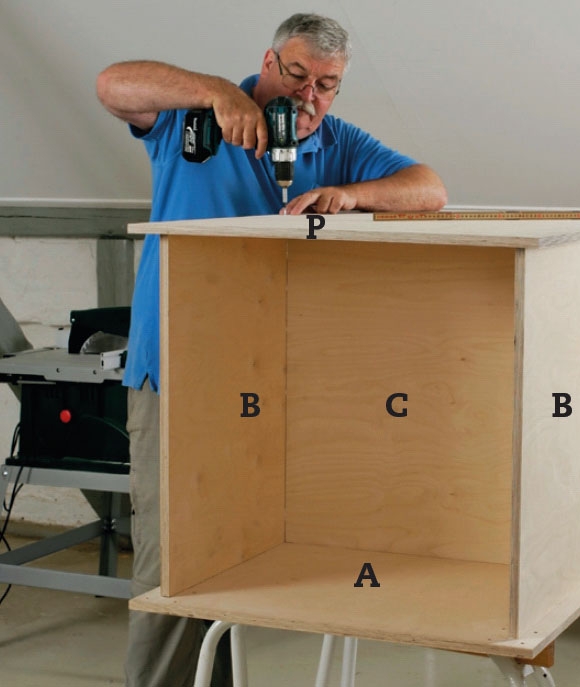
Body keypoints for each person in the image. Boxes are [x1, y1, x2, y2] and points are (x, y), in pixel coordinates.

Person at [96, 12, 447, 687]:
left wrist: (351, 195)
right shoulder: (190, 119)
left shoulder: (338, 142)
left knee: (238, 556)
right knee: (175, 563)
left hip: (269, 382)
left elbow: (429, 189)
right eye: (296, 76)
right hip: (177, 374)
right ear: (268, 63)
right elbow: (112, 84)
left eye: (326, 85)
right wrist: (215, 93)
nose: (308, 97)